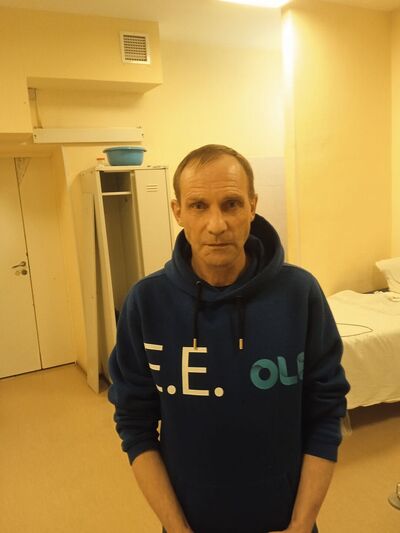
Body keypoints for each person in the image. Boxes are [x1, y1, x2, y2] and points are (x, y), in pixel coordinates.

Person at [108, 144, 350, 533]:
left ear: (252, 206)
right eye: (198, 206)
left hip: (289, 524)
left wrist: (302, 524)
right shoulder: (146, 303)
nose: (217, 224)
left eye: (232, 204)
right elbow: (135, 425)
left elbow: (326, 412)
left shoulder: (299, 294)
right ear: (178, 212)